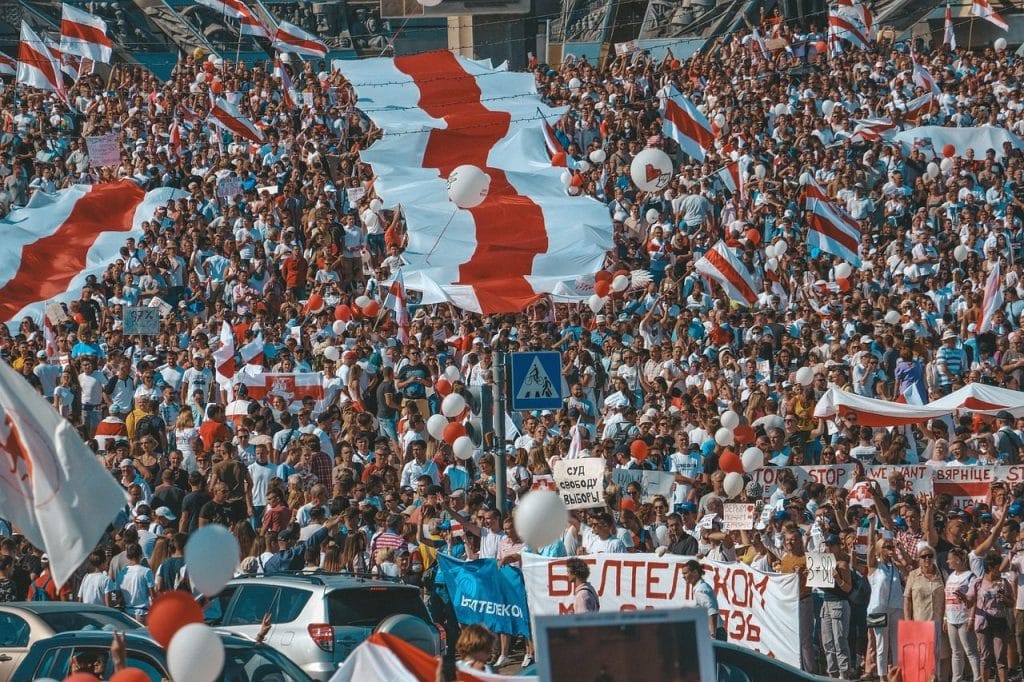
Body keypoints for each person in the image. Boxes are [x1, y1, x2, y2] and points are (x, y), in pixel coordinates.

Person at [683, 559, 725, 641]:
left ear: (695, 572)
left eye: (685, 573)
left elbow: (712, 612)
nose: (683, 576)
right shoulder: (699, 587)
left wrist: (713, 636)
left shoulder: (701, 590)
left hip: (713, 634)